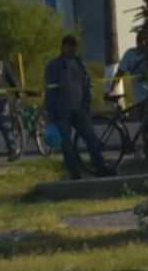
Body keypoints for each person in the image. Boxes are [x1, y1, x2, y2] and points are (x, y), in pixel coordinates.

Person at [45, 33, 110, 179]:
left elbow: (87, 85)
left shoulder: (80, 64)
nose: (72, 50)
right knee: (66, 143)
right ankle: (74, 172)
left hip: (80, 109)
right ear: (63, 47)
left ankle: (100, 166)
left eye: (74, 47)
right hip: (62, 110)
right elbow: (51, 90)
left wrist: (87, 104)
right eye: (69, 47)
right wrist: (50, 111)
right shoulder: (54, 66)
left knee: (91, 138)